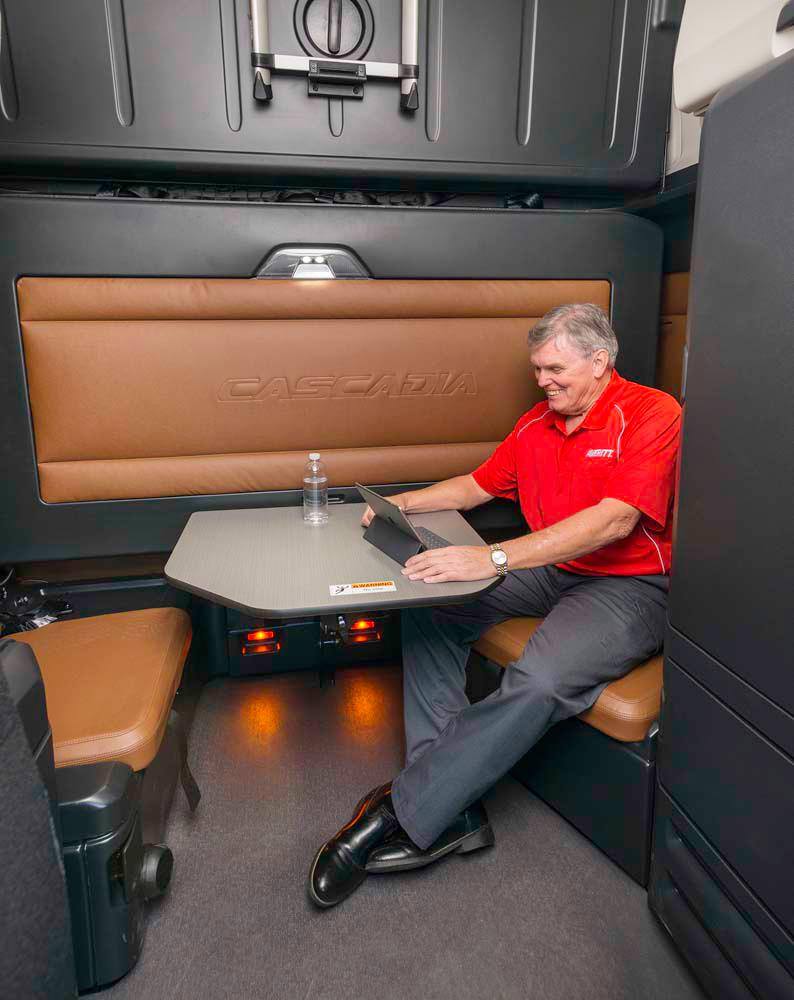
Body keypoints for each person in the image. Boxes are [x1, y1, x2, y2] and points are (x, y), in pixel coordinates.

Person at [308, 302, 681, 908]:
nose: (542, 381)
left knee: (540, 681)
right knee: (431, 605)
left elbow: (616, 521)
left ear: (599, 361)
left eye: (555, 369)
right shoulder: (537, 423)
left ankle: (401, 808)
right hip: (553, 569)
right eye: (537, 369)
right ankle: (446, 802)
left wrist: (494, 557)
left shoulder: (651, 413)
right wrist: (402, 504)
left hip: (629, 586)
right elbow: (476, 486)